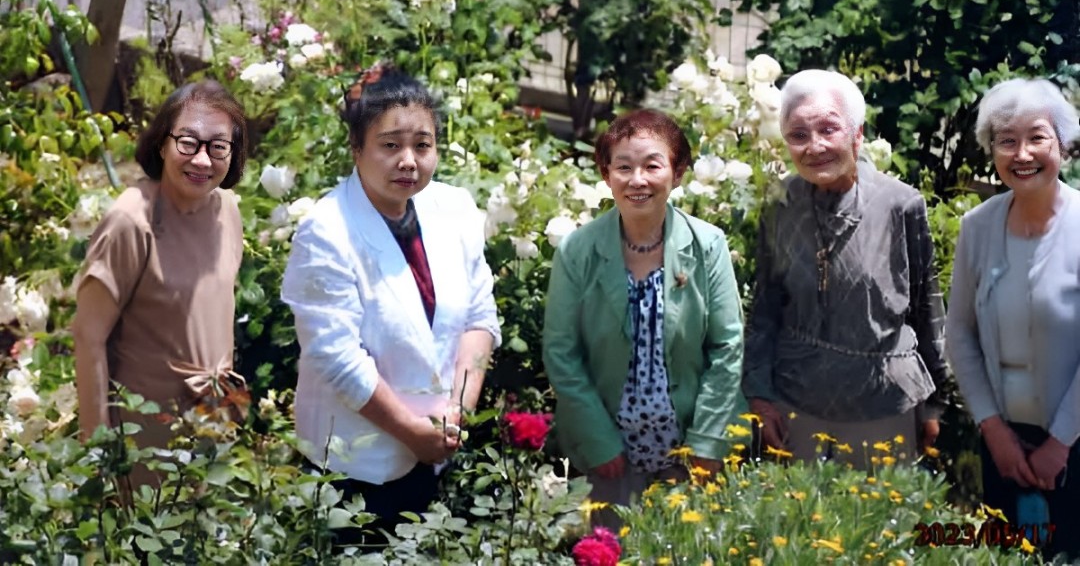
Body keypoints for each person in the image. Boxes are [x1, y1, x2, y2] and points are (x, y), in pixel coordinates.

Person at [282, 70, 499, 538]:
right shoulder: (327, 230)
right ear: (356, 148)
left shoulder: (455, 209)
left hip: (437, 453)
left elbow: (479, 318)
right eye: (390, 145)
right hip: (353, 472)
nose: (408, 161)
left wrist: (456, 412)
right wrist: (412, 432)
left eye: (422, 145)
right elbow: (337, 359)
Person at [542, 109, 744, 515]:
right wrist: (599, 441)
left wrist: (706, 442)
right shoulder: (577, 251)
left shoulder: (708, 245)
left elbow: (727, 346)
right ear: (606, 174)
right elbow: (561, 352)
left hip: (689, 452)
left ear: (678, 172)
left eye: (652, 165)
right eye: (623, 167)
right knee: (606, 544)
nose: (637, 180)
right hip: (608, 455)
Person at [742, 69, 948, 464]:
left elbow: (928, 310)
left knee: (878, 505)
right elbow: (765, 309)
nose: (814, 146)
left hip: (883, 401)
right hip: (796, 399)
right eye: (798, 135)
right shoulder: (781, 203)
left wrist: (935, 403)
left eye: (828, 129)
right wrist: (760, 396)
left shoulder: (901, 204)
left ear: (857, 134)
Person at [73, 80, 248, 462]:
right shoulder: (131, 222)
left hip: (214, 419)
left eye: (218, 146)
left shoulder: (227, 210)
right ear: (161, 144)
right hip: (146, 433)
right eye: (188, 142)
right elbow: (88, 337)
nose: (202, 160)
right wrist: (99, 452)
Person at [946, 78, 1080, 559]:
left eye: (1036, 137)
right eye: (1007, 141)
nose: (1022, 154)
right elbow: (959, 333)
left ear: (1062, 144)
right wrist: (993, 429)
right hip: (1002, 444)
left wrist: (1060, 443)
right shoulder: (977, 227)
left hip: (1074, 444)